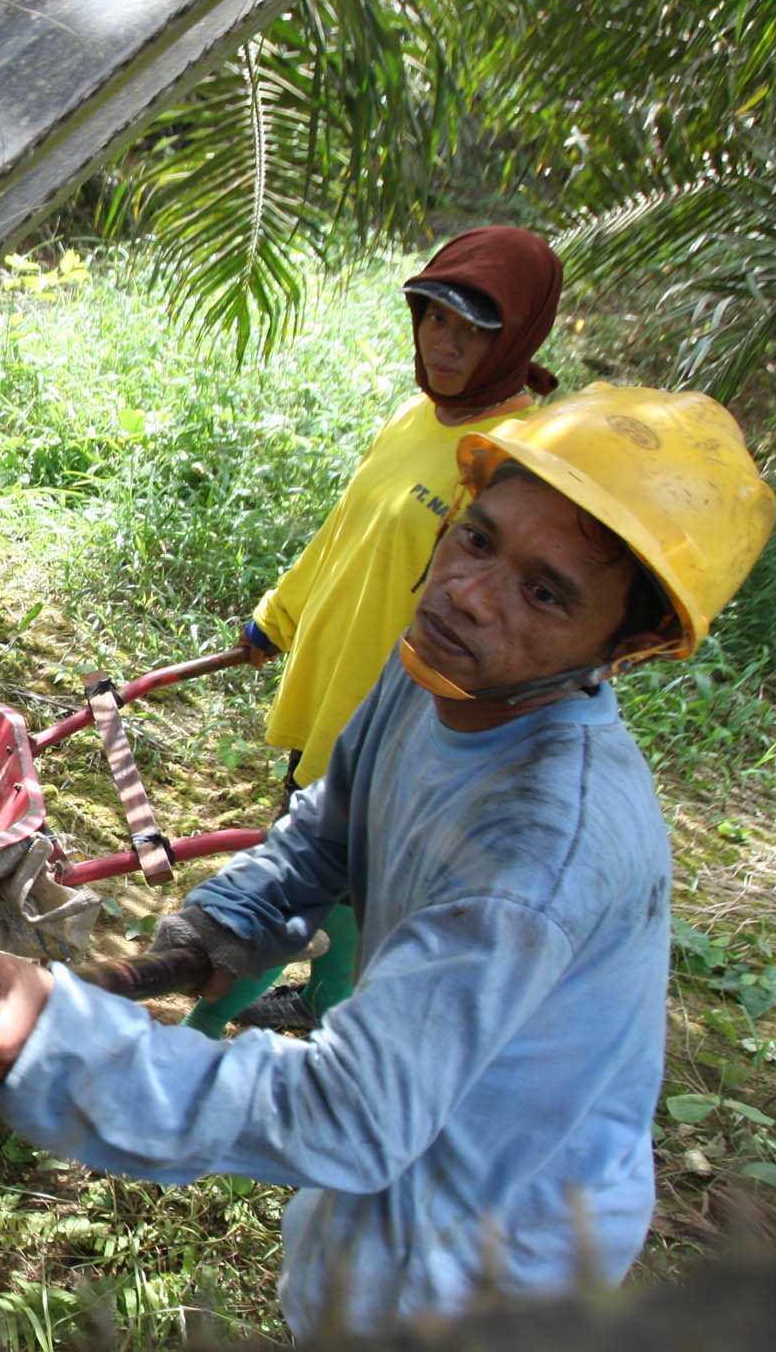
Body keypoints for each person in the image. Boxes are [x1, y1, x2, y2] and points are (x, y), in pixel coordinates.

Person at [0, 384, 776, 1340]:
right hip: (402, 1174)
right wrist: (231, 919)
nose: (468, 591)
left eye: (545, 591)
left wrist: (68, 1044)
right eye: (478, 538)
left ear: (628, 643)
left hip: (503, 1253)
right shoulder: (440, 673)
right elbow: (333, 823)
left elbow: (352, 1113)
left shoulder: (539, 846)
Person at [194, 224, 565, 1037]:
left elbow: (496, 632)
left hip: (397, 726)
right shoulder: (416, 416)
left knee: (299, 880)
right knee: (336, 876)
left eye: (477, 331)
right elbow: (345, 532)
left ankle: (201, 1034)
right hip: (337, 687)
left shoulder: (513, 462)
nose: (448, 345)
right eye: (436, 318)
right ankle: (326, 1003)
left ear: (521, 337)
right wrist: (277, 616)